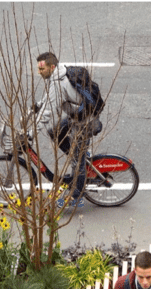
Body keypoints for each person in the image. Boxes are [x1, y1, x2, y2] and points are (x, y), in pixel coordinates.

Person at [34, 51, 102, 209]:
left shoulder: (58, 83)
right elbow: (49, 99)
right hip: (77, 116)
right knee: (54, 132)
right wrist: (36, 107)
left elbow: (48, 111)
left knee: (77, 161)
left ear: (51, 67)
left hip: (85, 121)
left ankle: (77, 195)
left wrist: (31, 132)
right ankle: (78, 158)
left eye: (41, 69)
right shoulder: (58, 74)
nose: (39, 72)